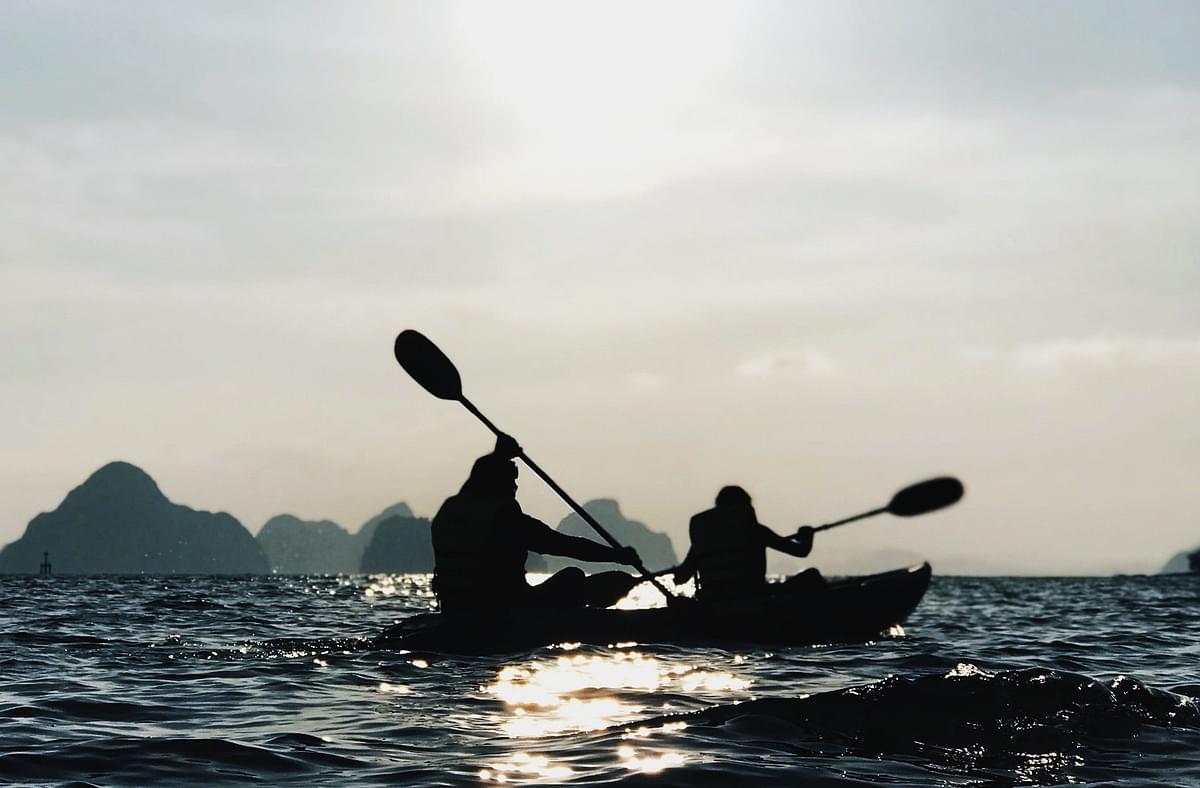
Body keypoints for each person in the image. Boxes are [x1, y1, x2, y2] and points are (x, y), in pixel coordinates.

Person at [431, 433, 642, 615]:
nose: (514, 487)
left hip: (453, 607)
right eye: (510, 481)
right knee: (573, 577)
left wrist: (499, 455)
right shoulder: (505, 519)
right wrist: (616, 556)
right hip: (503, 609)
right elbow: (564, 545)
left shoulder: (450, 510)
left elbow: (478, 476)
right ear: (497, 484)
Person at [673, 485, 820, 601]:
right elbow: (800, 551)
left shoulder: (703, 539)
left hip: (713, 599)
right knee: (812, 576)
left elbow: (681, 579)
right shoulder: (756, 530)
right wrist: (807, 536)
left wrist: (677, 571)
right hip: (752, 597)